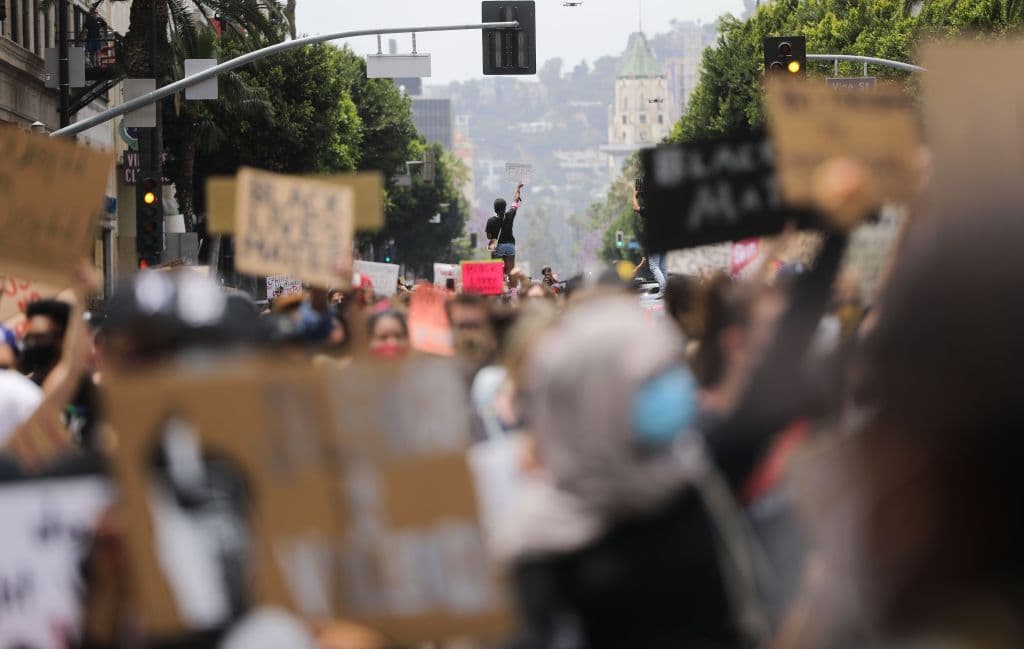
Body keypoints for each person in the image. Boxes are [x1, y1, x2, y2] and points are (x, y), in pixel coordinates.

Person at [20, 298, 71, 384]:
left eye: (40, 337)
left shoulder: (90, 387)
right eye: (29, 337)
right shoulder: (28, 389)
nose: (32, 343)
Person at [634, 183, 667, 298]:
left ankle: (664, 289)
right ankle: (666, 289)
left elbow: (636, 208)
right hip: (664, 238)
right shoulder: (662, 205)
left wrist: (635, 196)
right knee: (662, 266)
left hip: (656, 239)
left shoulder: (652, 206)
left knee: (653, 266)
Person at [486, 181, 525, 277]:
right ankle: (513, 291)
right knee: (511, 271)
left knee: (497, 270)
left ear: (495, 209)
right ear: (505, 207)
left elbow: (489, 236)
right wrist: (518, 189)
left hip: (497, 248)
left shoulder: (490, 221)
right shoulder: (510, 215)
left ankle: (500, 287)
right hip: (509, 246)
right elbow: (515, 201)